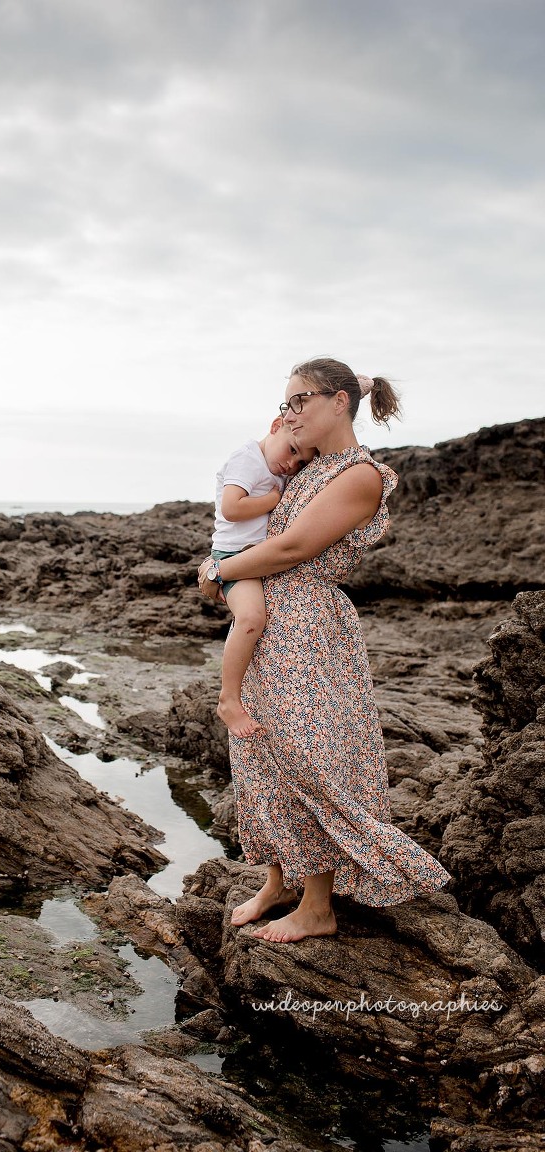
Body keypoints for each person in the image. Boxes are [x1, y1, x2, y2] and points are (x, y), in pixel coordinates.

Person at [198, 358, 451, 943]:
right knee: (262, 757)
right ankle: (278, 881)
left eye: (299, 402)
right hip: (270, 620)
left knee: (314, 758)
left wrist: (218, 569)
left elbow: (292, 547)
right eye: (285, 403)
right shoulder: (307, 466)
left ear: (339, 402)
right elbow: (251, 523)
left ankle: (318, 906)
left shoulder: (360, 475)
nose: (289, 414)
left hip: (309, 627)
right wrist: (224, 567)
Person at [209, 418, 312, 739]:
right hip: (234, 559)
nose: (291, 464)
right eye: (292, 450)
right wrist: (271, 501)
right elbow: (231, 508)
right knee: (252, 618)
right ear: (277, 424)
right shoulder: (248, 459)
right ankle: (228, 699)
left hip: (254, 560)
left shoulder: (278, 468)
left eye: (300, 463)